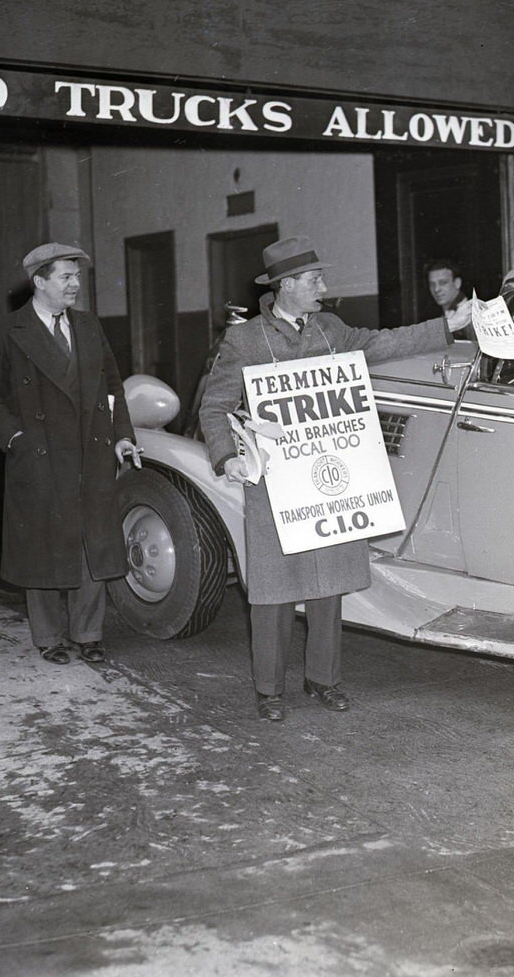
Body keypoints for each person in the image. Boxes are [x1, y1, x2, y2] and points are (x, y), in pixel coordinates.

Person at [199, 236, 471, 722]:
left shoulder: (330, 329)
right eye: (313, 280)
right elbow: (214, 406)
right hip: (275, 481)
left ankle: (322, 680)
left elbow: (383, 342)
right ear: (286, 286)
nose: (323, 287)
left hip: (329, 481)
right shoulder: (244, 340)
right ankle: (270, 690)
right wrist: (227, 458)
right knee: (274, 589)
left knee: (328, 584)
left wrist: (445, 327)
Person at [0, 243, 141, 665]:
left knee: (91, 544)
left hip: (90, 450)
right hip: (39, 454)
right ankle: (48, 636)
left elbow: (113, 386)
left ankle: (89, 633)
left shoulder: (88, 325)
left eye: (77, 277)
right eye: (66, 277)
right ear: (39, 281)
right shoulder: (7, 330)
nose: (75, 285)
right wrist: (15, 438)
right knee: (41, 546)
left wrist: (122, 436)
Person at [424, 258, 474, 338]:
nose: (436, 289)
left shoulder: (470, 315)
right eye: (432, 284)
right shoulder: (443, 313)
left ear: (457, 283)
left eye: (443, 283)